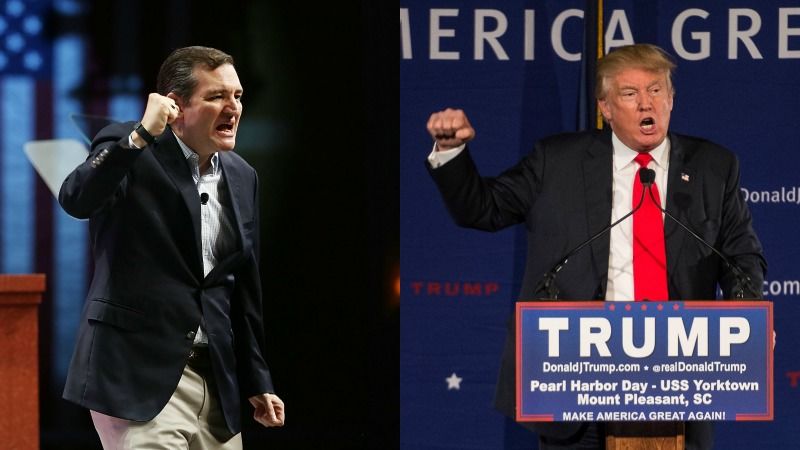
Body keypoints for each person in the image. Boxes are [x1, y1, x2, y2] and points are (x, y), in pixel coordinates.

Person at [425, 44, 766, 450]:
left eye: (656, 90)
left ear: (671, 98)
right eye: (630, 93)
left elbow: (741, 257)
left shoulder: (713, 166)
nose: (647, 103)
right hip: (577, 378)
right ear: (605, 107)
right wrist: (451, 151)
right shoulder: (557, 161)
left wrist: (745, 316)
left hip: (679, 375)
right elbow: (483, 209)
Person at [59, 46, 285, 449]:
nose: (233, 107)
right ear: (175, 106)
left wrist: (257, 379)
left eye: (237, 96)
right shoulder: (130, 147)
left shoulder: (242, 175)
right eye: (217, 96)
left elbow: (243, 287)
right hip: (136, 378)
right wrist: (140, 136)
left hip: (215, 384)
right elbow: (76, 199)